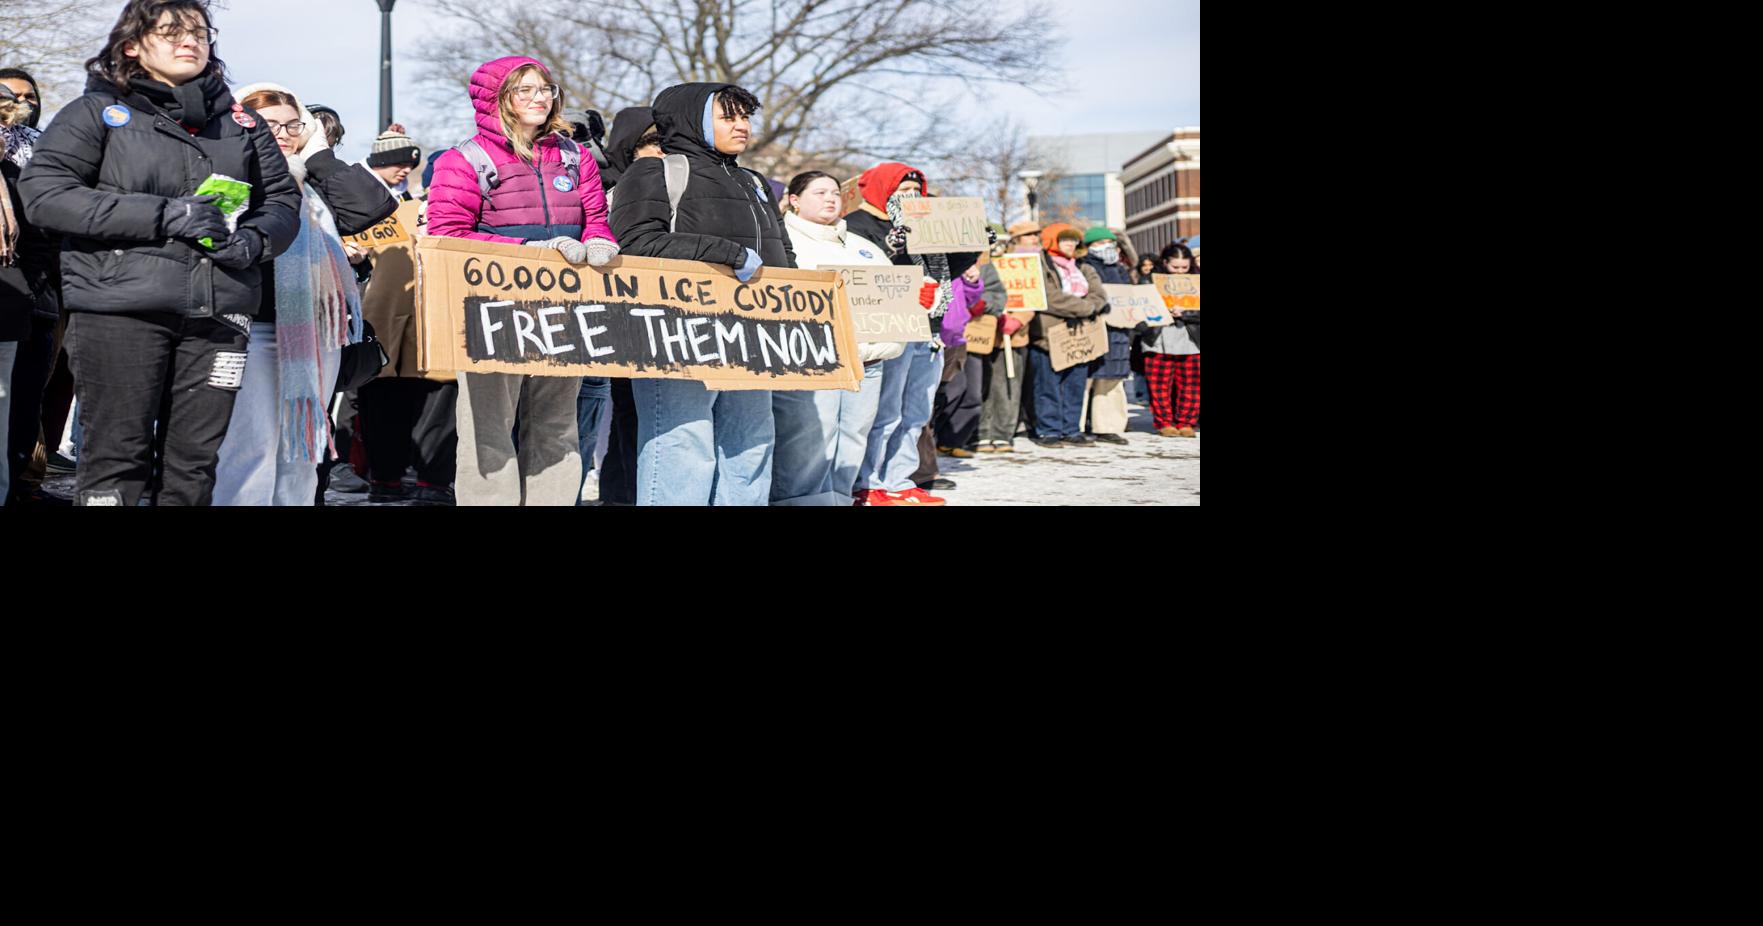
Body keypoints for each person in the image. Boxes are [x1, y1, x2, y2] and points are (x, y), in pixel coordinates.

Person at [20, 0, 302, 506]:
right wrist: (166, 215)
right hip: (119, 310)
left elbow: (281, 200)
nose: (189, 41)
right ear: (132, 45)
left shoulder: (243, 124)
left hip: (220, 310)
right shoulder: (96, 113)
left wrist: (255, 241)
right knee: (116, 461)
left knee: (194, 465)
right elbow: (45, 194)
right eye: (171, 31)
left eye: (198, 31)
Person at [426, 55, 617, 506]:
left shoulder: (575, 156)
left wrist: (600, 242)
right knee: (489, 427)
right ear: (498, 99)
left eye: (544, 89)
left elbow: (596, 218)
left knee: (557, 423)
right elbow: (447, 234)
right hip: (492, 307)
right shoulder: (464, 159)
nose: (538, 98)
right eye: (524, 90)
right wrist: (527, 254)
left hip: (565, 306)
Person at [210, 83, 395, 505]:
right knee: (250, 449)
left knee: (302, 452)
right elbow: (213, 234)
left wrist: (319, 155)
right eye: (269, 123)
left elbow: (372, 208)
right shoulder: (229, 169)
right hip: (248, 328)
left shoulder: (315, 180)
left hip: (313, 332)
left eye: (293, 124)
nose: (282, 132)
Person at [609, 82, 790, 506]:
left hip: (754, 332)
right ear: (692, 119)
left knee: (751, 442)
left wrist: (794, 298)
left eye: (745, 116)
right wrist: (724, 254)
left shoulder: (754, 181)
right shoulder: (656, 171)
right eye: (728, 116)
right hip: (677, 331)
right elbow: (633, 242)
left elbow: (783, 254)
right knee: (683, 444)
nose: (742, 126)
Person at [844, 163, 973, 505]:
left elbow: (946, 266)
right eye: (902, 191)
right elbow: (863, 277)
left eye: (916, 191)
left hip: (927, 328)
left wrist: (971, 245)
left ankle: (899, 479)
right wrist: (892, 248)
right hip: (889, 328)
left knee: (916, 411)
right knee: (886, 411)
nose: (911, 197)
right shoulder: (858, 224)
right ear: (882, 190)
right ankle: (867, 480)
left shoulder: (924, 221)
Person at [775, 170, 904, 505]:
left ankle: (839, 499)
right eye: (819, 193)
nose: (830, 198)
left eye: (834, 192)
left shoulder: (865, 248)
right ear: (794, 200)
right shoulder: (782, 243)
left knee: (852, 441)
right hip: (816, 363)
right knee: (808, 443)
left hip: (867, 362)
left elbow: (893, 298)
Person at [591, 105, 659, 506]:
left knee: (633, 417)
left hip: (658, 312)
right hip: (618, 312)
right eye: (651, 144)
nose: (661, 153)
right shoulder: (606, 187)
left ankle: (620, 494)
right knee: (625, 414)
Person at [1, 69, 58, 506]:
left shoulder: (46, 152)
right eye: (8, 96)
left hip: (44, 292)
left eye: (27, 97)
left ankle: (24, 484)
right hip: (9, 285)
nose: (19, 104)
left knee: (28, 396)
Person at [1025, 223, 1107, 448]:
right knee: (1047, 386)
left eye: (1074, 240)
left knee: (1075, 385)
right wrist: (1084, 308)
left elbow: (1099, 294)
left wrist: (1090, 307)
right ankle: (1048, 430)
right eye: (1065, 240)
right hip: (1048, 335)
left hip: (1080, 335)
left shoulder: (1083, 266)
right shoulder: (1040, 264)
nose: (1071, 245)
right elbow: (1048, 297)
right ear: (1053, 240)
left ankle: (1072, 429)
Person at [975, 222, 1036, 454]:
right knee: (983, 386)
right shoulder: (979, 264)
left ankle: (1003, 433)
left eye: (1001, 241)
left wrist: (1019, 319)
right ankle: (982, 432)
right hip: (982, 332)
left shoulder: (1022, 265)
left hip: (1014, 335)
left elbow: (1032, 296)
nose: (997, 246)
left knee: (1008, 385)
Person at [1077, 226, 1133, 445]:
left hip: (1117, 330)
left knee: (1111, 381)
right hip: (1093, 327)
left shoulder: (1120, 269)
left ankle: (1108, 426)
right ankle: (1076, 425)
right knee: (1085, 380)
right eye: (1099, 243)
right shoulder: (1085, 266)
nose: (1106, 247)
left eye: (1109, 243)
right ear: (1090, 247)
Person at [1140, 242, 1200, 437]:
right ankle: (1164, 421)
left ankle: (1187, 422)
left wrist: (1187, 312)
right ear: (1165, 262)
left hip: (1190, 336)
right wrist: (1162, 311)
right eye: (1175, 267)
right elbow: (1141, 308)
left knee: (1191, 383)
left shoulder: (1196, 281)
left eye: (1184, 267)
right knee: (1159, 383)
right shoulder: (1149, 281)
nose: (1180, 271)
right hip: (1158, 337)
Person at [933, 263, 989, 457]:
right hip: (933, 337)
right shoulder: (934, 263)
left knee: (962, 391)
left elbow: (968, 298)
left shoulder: (958, 263)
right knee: (936, 398)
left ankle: (947, 442)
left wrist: (971, 282)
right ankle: (926, 458)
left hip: (955, 339)